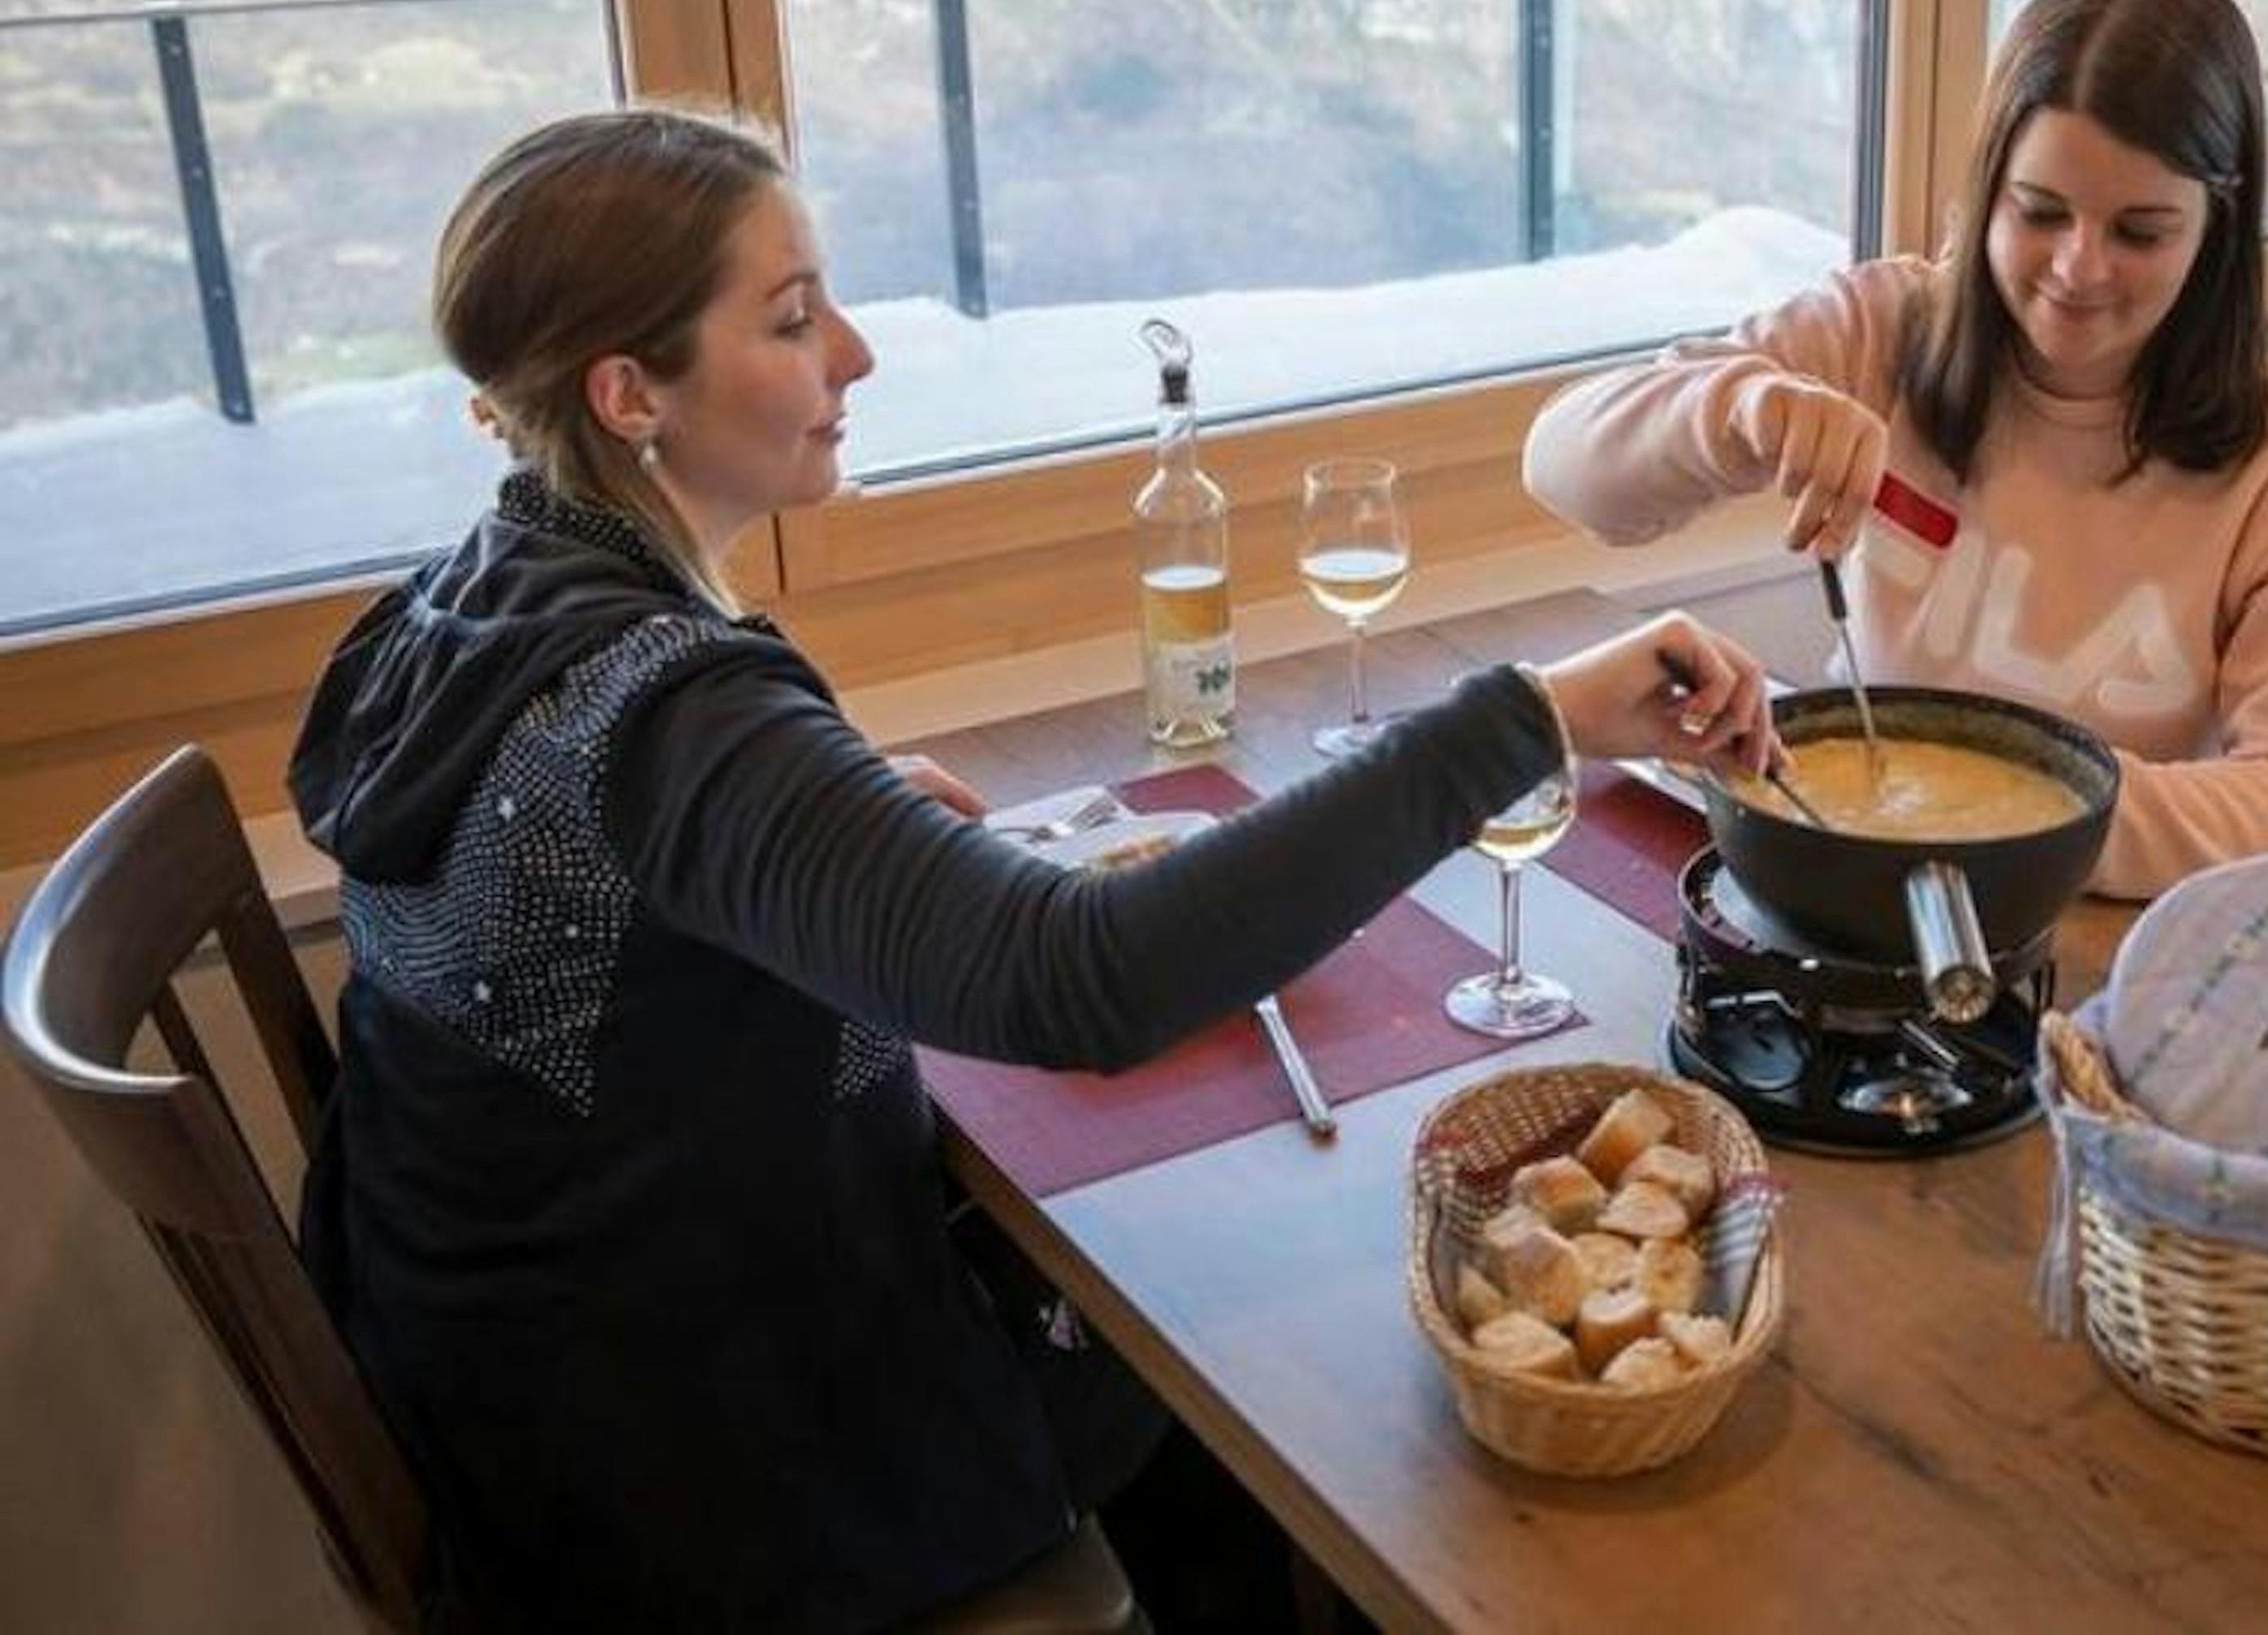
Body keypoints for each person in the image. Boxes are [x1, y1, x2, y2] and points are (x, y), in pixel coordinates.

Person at [287, 106, 1782, 1631]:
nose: (854, 354)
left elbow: (611, 899)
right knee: (1263, 1382)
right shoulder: (673, 713)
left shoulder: (477, 601)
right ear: (628, 393)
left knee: (1198, 1374)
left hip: (526, 1369)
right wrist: (1536, 715)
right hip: (685, 1469)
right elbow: (1089, 975)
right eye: (793, 318)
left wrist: (832, 818)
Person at [1524, 0, 2268, 899]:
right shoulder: (1888, 325)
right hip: (1859, 893)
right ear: (1988, 191)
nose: (2079, 268)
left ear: (2216, 231)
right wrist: (1736, 409)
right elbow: (1562, 470)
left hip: (2102, 949)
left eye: (2140, 233)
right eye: (2040, 213)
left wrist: (1992, 813)